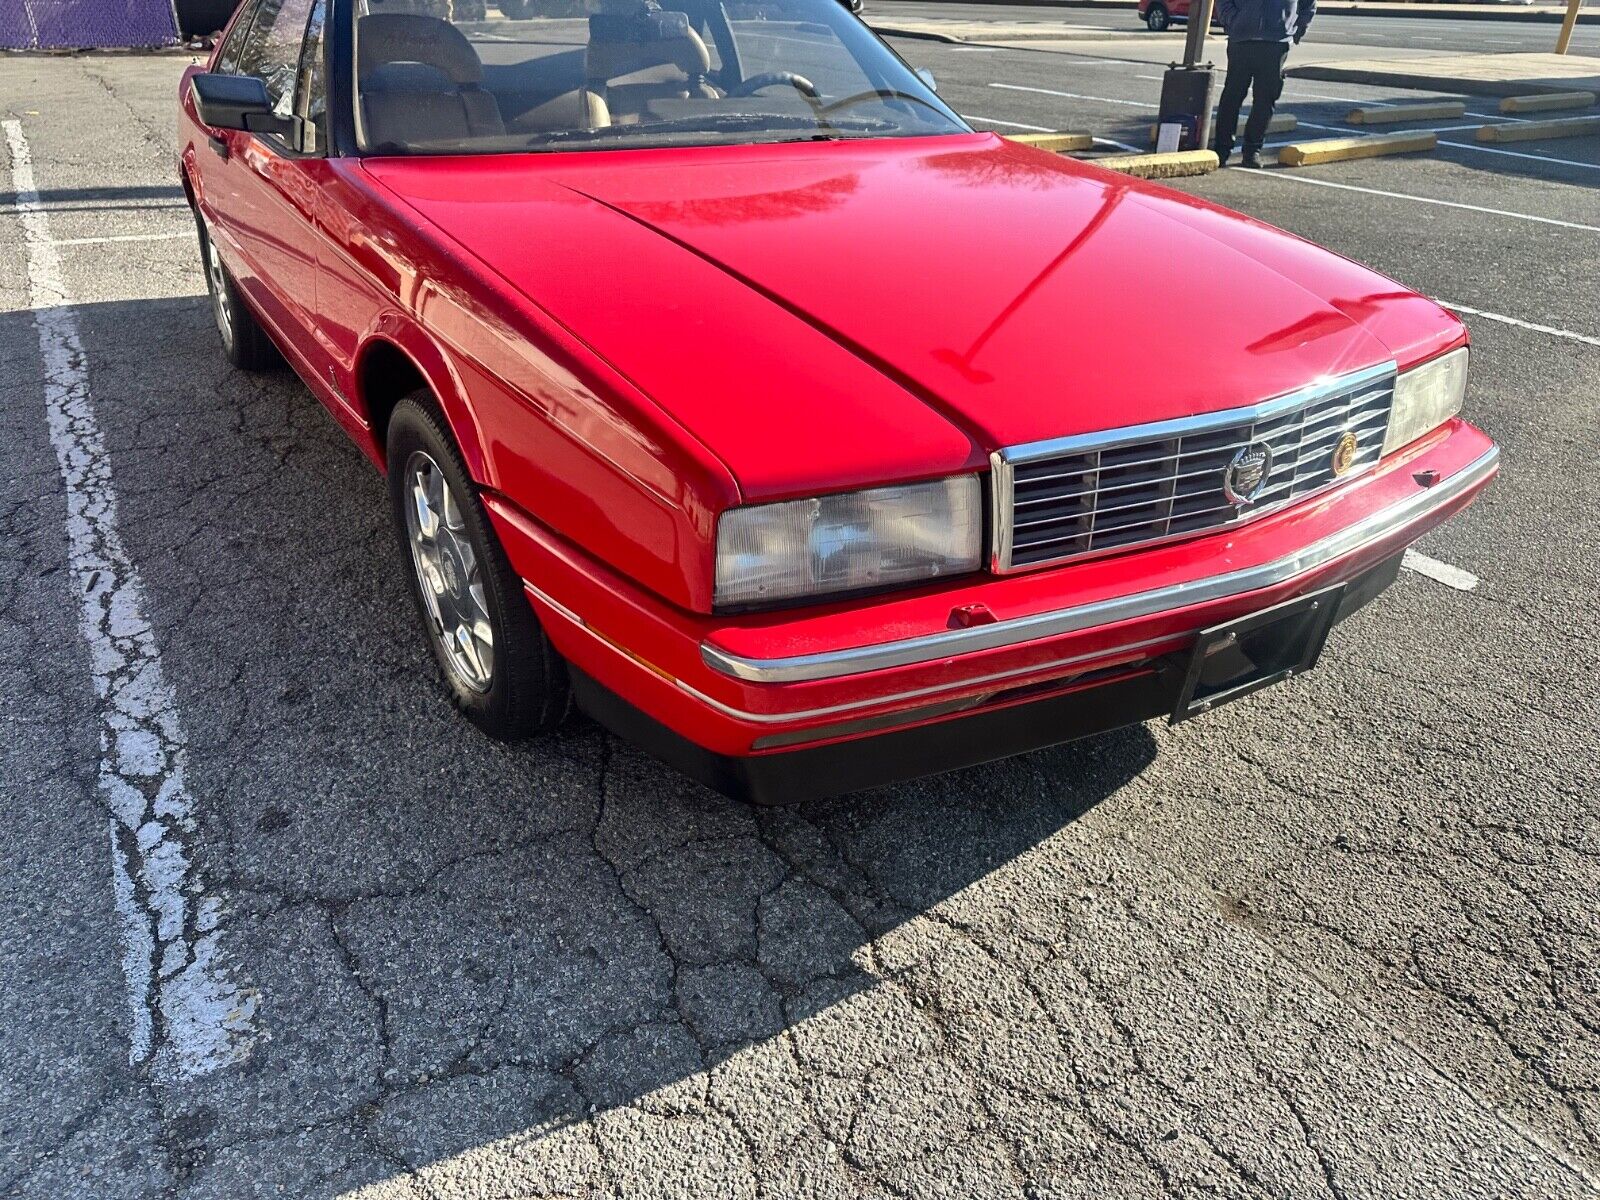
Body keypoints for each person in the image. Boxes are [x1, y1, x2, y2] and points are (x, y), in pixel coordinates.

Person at [1212, 0, 1315, 168]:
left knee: (1265, 100)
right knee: (1232, 97)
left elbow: (1308, 4)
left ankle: (1252, 151)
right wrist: (1232, 19)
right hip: (1241, 40)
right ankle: (1221, 150)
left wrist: (1299, 28)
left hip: (1276, 43)